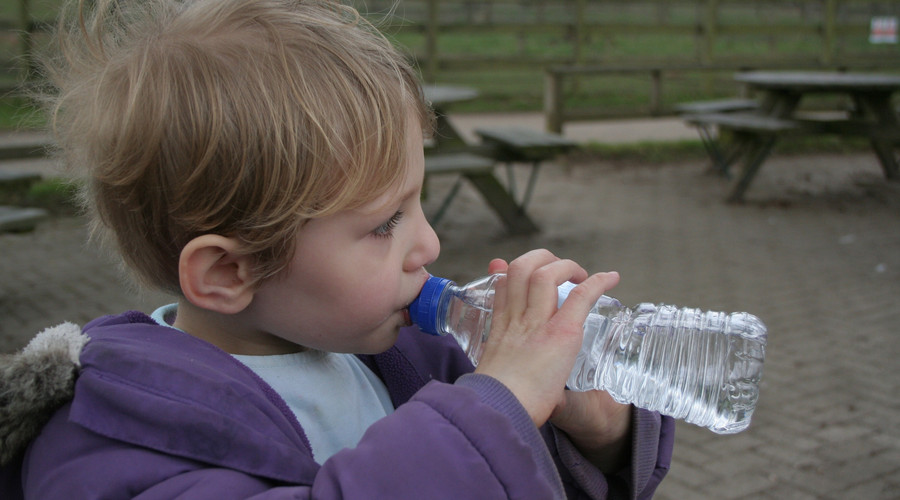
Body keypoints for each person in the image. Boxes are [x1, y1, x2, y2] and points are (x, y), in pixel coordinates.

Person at [0, 0, 674, 497]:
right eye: (385, 224)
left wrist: (592, 429)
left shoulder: (407, 362)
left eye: (417, 203)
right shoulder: (118, 433)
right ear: (229, 271)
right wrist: (496, 405)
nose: (429, 245)